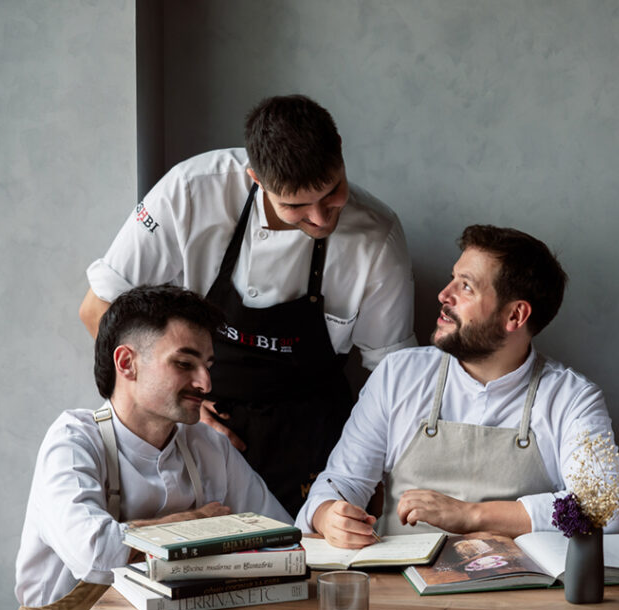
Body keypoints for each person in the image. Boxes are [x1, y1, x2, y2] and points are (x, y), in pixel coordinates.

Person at [77, 94, 416, 516]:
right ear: (255, 177)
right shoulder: (189, 192)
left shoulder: (377, 236)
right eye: (295, 206)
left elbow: (393, 375)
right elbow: (99, 309)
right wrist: (184, 405)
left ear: (341, 153)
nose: (321, 218)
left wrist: (373, 468)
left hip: (314, 439)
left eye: (333, 193)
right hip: (202, 431)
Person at [0, 286, 290, 610]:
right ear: (127, 362)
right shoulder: (73, 440)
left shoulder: (209, 446)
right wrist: (200, 524)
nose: (205, 382)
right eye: (185, 363)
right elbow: (96, 554)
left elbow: (282, 537)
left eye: (208, 365)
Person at [297, 225, 619, 548]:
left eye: (466, 287)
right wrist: (328, 515)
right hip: (400, 589)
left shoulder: (572, 399)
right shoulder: (398, 375)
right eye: (453, 278)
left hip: (521, 596)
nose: (444, 295)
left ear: (515, 315)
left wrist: (472, 515)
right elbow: (342, 482)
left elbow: (606, 507)